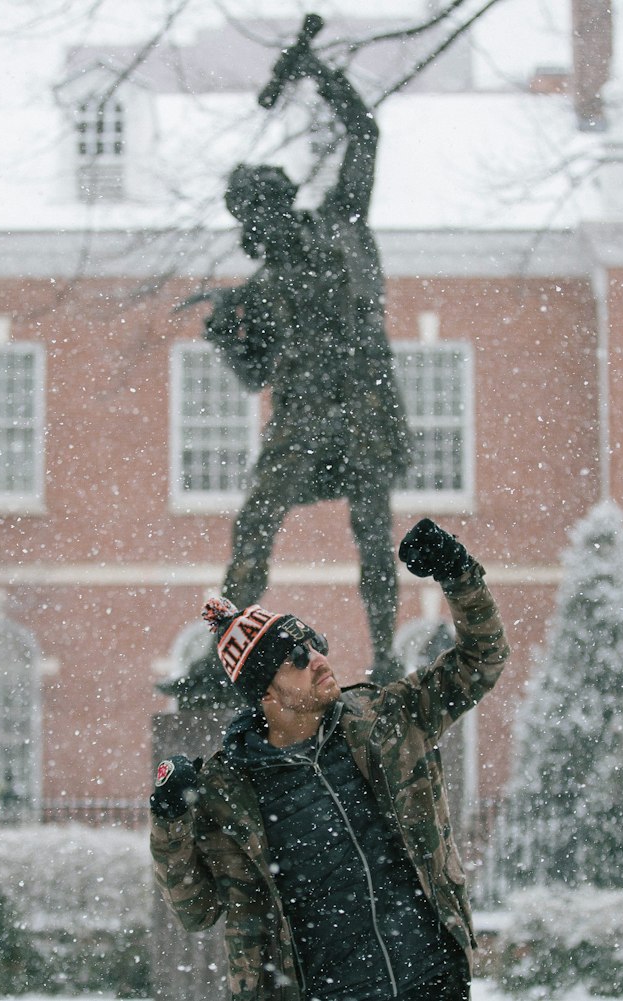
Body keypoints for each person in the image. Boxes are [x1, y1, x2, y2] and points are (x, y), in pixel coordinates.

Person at [150, 519, 510, 1001]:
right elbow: (195, 909)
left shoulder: (385, 722)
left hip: (433, 984)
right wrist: (170, 818)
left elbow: (482, 659)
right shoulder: (229, 791)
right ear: (265, 693)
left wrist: (459, 575)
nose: (318, 659)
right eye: (296, 657)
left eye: (316, 646)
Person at [197, 27, 411, 682]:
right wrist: (227, 339)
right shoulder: (263, 289)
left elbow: (364, 132)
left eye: (265, 215)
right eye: (252, 224)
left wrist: (315, 70)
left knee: (373, 536)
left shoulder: (345, 219)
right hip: (301, 416)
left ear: (282, 207)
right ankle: (225, 654)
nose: (263, 231)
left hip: (361, 402)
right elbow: (252, 371)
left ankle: (385, 658)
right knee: (256, 518)